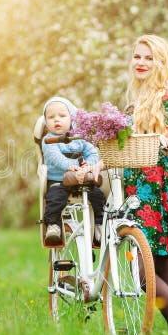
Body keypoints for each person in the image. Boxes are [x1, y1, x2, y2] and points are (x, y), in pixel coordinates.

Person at [122, 34, 168, 335]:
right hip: (133, 191)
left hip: (156, 189)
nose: (141, 62)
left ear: (161, 63)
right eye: (138, 56)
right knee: (159, 266)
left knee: (149, 270)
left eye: (149, 58)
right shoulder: (133, 102)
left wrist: (162, 139)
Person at [41, 96, 105, 247]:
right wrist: (72, 165)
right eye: (51, 117)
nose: (57, 120)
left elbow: (92, 152)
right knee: (55, 198)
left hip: (81, 178)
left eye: (62, 116)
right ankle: (53, 226)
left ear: (72, 118)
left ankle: (99, 224)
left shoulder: (79, 137)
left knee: (97, 196)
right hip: (59, 180)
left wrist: (88, 164)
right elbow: (55, 157)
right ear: (46, 122)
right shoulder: (48, 140)